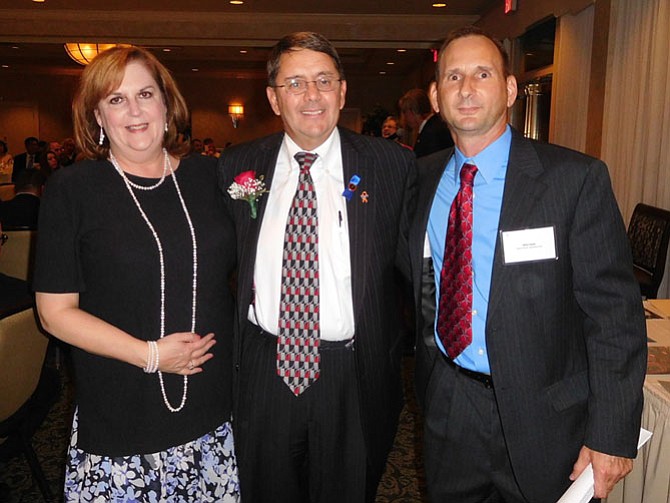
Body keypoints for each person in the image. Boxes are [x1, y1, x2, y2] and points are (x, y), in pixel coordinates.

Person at [410, 25, 647, 503]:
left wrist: (611, 433)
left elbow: (614, 315)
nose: (467, 88)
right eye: (453, 77)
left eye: (482, 74)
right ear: (436, 97)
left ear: (511, 89)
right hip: (451, 406)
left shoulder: (573, 179)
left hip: (549, 417)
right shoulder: (419, 179)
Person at [33, 46, 240, 502]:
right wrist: (150, 355)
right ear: (97, 118)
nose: (134, 110)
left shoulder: (211, 176)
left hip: (213, 406)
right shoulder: (72, 190)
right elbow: (54, 314)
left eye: (145, 93)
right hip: (122, 411)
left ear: (167, 105)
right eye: (115, 99)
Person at [218, 31, 416, 502]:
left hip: (353, 369)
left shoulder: (391, 165)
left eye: (324, 81)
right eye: (295, 83)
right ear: (273, 97)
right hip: (265, 366)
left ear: (342, 91)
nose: (311, 96)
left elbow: (419, 268)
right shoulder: (239, 166)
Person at [399, 87, 453, 157]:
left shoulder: (431, 132)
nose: (404, 118)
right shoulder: (435, 125)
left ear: (412, 111)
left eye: (405, 112)